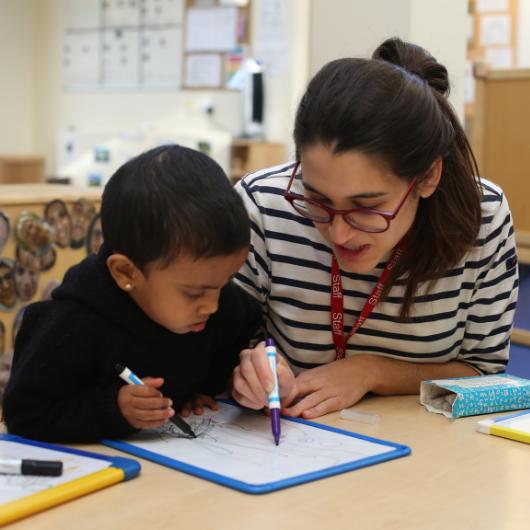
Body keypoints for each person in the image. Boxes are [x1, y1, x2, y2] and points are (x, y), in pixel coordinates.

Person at [231, 38, 519, 420]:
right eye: (316, 198)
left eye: (366, 207)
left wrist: (371, 372)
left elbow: (485, 372)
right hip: (290, 444)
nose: (339, 233)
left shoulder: (483, 217)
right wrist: (251, 371)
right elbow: (224, 345)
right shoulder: (264, 205)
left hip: (425, 453)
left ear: (428, 177)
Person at [3, 145, 262, 443]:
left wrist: (209, 385)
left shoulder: (219, 301)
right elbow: (24, 413)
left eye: (226, 281)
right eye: (194, 293)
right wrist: (113, 410)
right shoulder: (72, 324)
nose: (213, 305)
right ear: (126, 273)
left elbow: (241, 332)